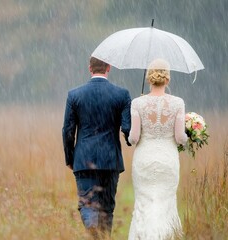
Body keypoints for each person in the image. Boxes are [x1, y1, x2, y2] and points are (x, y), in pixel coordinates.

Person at [62, 57, 132, 239]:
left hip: (83, 159)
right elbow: (127, 129)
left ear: (89, 68)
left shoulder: (75, 95)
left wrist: (70, 158)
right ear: (109, 67)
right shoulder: (122, 94)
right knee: (107, 208)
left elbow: (68, 131)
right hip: (110, 160)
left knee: (87, 203)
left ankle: (92, 225)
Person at [127, 59, 188, 239]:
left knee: (144, 202)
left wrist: (130, 132)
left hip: (144, 160)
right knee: (166, 202)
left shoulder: (138, 103)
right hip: (168, 161)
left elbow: (134, 137)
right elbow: (179, 138)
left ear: (149, 79)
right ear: (167, 79)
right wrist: (190, 134)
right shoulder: (178, 103)